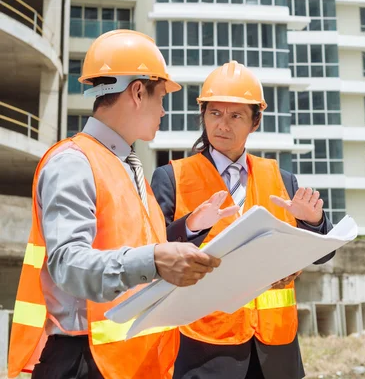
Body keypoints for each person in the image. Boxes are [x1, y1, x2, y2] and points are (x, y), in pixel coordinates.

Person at [8, 30, 234, 379]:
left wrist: (189, 229)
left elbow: (134, 248)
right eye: (161, 97)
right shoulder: (74, 162)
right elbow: (68, 264)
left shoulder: (126, 168)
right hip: (84, 361)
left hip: (125, 360)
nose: (163, 110)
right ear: (138, 91)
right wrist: (157, 259)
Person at [152, 60, 336, 379]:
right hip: (203, 349)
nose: (223, 125)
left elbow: (324, 252)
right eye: (215, 113)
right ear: (203, 116)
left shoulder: (281, 178)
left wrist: (314, 222)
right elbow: (152, 251)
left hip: (276, 351)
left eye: (235, 115)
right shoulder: (172, 177)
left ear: (255, 121)